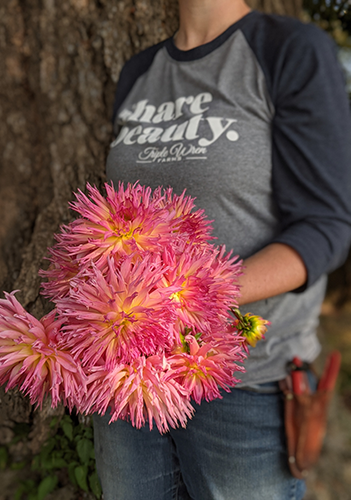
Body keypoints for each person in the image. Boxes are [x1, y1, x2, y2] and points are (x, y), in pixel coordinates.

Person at [93, 1, 351, 498]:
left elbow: (324, 227)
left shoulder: (288, 51)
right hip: (129, 376)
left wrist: (188, 298)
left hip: (244, 381)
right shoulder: (140, 72)